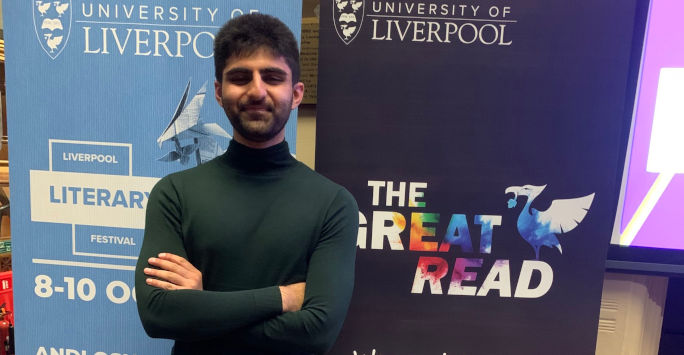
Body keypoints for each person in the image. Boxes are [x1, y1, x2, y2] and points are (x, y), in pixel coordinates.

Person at [134, 13, 359, 355]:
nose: (257, 91)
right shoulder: (174, 195)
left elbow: (316, 333)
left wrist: (203, 307)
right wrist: (282, 297)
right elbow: (158, 316)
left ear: (296, 94)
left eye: (272, 77)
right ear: (219, 93)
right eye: (241, 77)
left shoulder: (334, 205)